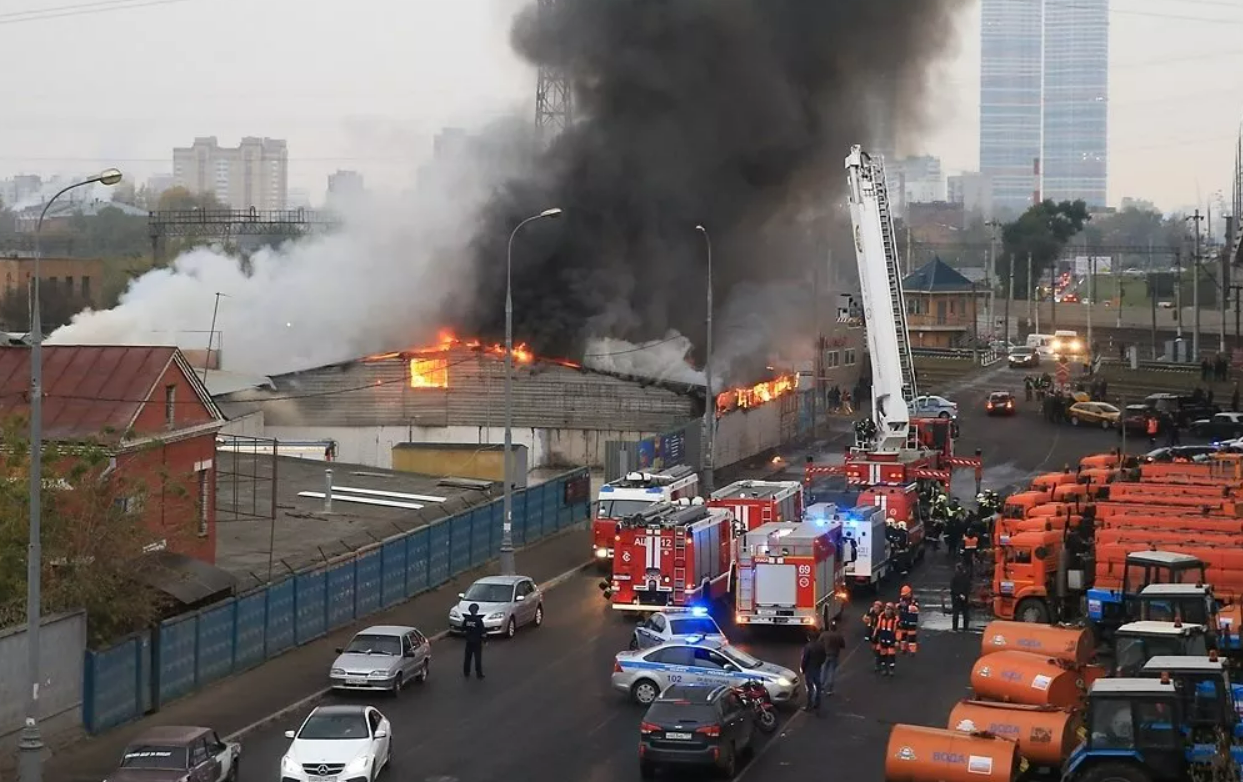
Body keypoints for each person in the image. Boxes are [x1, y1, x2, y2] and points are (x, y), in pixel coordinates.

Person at [818, 618, 846, 696]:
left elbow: (819, 643)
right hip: (834, 655)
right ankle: (830, 689)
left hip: (825, 655)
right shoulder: (838, 636)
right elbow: (843, 645)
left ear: (829, 627)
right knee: (832, 672)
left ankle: (821, 687)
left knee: (823, 671)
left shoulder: (824, 634)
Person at [801, 631, 827, 712]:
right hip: (817, 668)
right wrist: (820, 663)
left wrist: (803, 668)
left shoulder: (807, 647)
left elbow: (805, 659)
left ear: (809, 638)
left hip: (809, 670)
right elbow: (824, 656)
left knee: (810, 688)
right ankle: (817, 703)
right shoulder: (821, 646)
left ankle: (809, 706)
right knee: (818, 686)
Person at [873, 603, 899, 676]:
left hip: (891, 640)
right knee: (882, 655)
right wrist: (875, 637)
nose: (887, 611)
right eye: (886, 609)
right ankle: (884, 668)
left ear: (892, 610)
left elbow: (898, 631)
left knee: (891, 655)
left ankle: (891, 670)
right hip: (883, 639)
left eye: (888, 609)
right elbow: (878, 628)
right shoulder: (881, 617)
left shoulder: (895, 620)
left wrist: (897, 640)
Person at [461, 603, 486, 679]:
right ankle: (479, 674)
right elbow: (483, 632)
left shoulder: (467, 619)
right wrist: (485, 641)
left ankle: (466, 672)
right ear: (477, 610)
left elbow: (463, 629)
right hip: (477, 642)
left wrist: (467, 635)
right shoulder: (479, 620)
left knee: (467, 657)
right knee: (477, 658)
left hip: (469, 641)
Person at [897, 586, 920, 654]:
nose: (904, 596)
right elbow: (898, 606)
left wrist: (907, 606)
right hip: (903, 620)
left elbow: (915, 609)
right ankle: (903, 649)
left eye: (905, 595)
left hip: (911, 622)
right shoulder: (901, 600)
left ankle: (912, 651)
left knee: (911, 638)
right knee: (903, 636)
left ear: (909, 593)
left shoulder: (914, 600)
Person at [950, 565, 971, 632]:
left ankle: (955, 628)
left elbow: (953, 587)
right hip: (965, 597)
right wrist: (964, 595)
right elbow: (969, 587)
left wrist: (959, 594)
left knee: (956, 612)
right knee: (965, 613)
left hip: (956, 597)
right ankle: (965, 628)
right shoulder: (966, 577)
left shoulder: (955, 577)